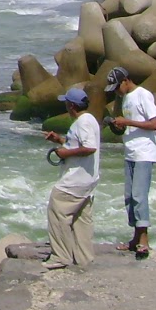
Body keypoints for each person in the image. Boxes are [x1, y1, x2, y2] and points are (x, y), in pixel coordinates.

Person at [105, 66, 156, 258]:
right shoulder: (124, 98)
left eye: (116, 87)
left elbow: (154, 124)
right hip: (130, 151)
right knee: (129, 197)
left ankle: (144, 240)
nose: (115, 91)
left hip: (145, 152)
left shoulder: (143, 95)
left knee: (139, 195)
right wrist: (117, 125)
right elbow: (128, 125)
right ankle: (135, 238)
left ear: (126, 80)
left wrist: (128, 122)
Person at [41, 85, 100, 270]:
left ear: (72, 106)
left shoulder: (83, 122)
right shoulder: (89, 120)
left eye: (66, 103)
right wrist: (60, 140)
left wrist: (65, 154)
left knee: (57, 210)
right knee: (82, 219)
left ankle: (61, 257)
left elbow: (89, 148)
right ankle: (84, 258)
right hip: (87, 180)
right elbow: (78, 143)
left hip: (75, 181)